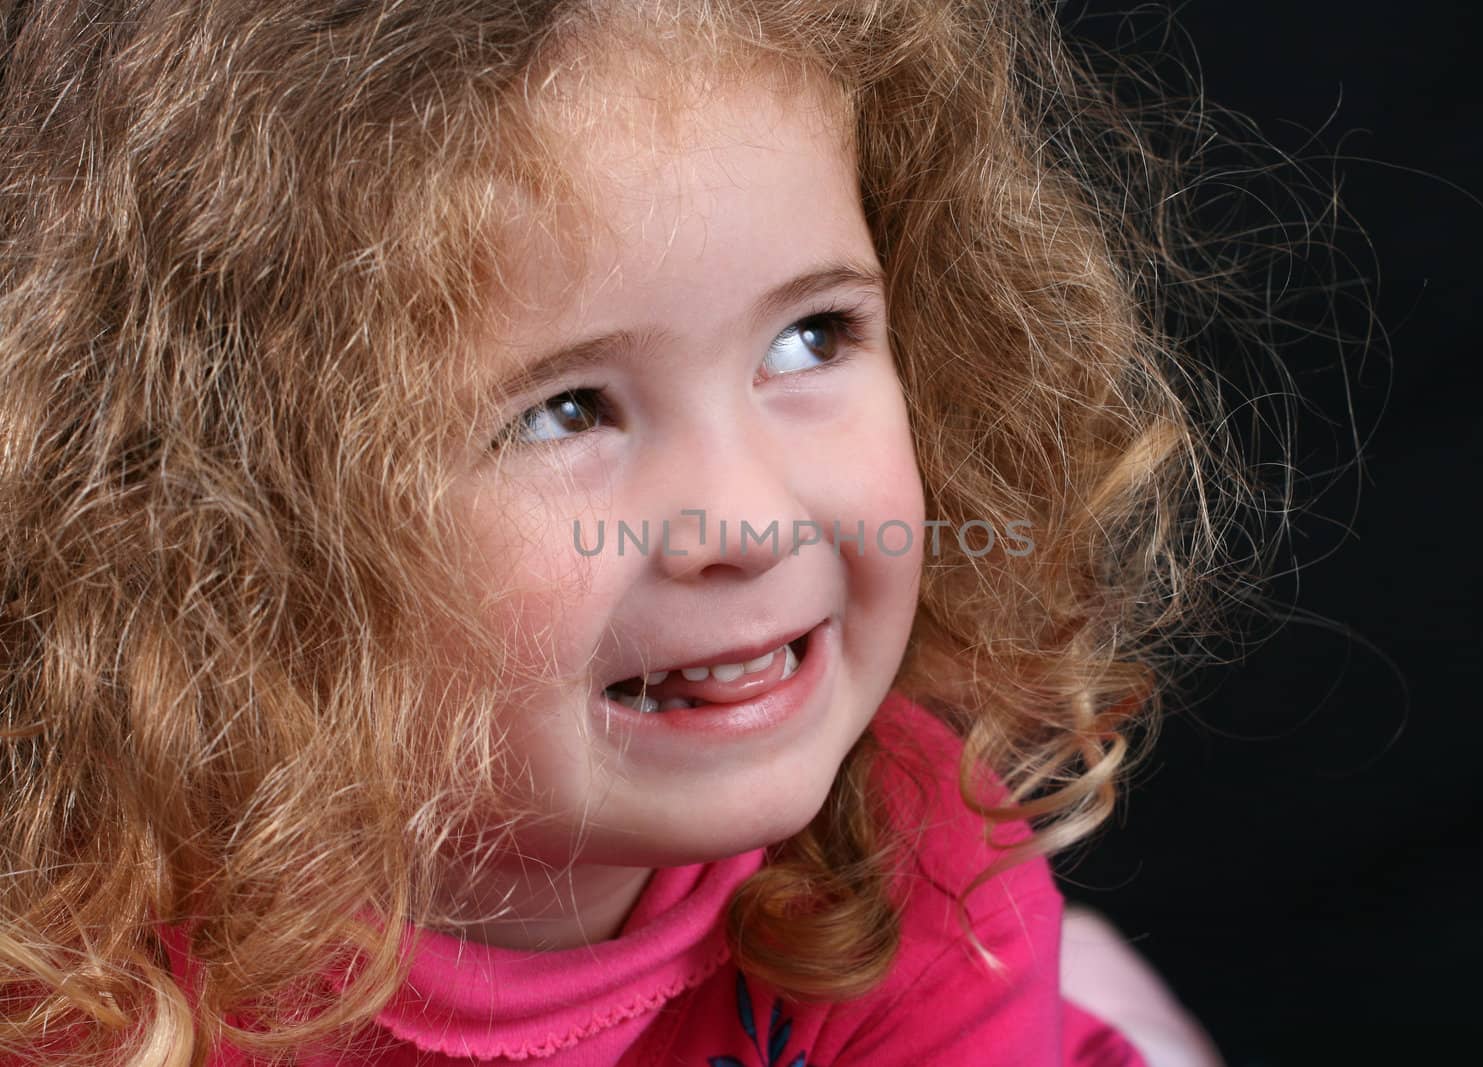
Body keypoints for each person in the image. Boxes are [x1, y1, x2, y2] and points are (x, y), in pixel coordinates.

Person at [0, 0, 1281, 1063]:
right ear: (223, 520)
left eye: (810, 336)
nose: (750, 518)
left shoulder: (923, 880)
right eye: (566, 410)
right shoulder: (82, 974)